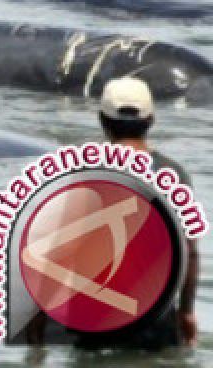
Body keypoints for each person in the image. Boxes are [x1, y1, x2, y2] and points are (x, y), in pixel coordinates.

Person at [75, 76, 199, 351]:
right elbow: (189, 253)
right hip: (156, 318)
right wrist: (187, 311)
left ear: (102, 121)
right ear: (151, 120)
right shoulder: (174, 176)